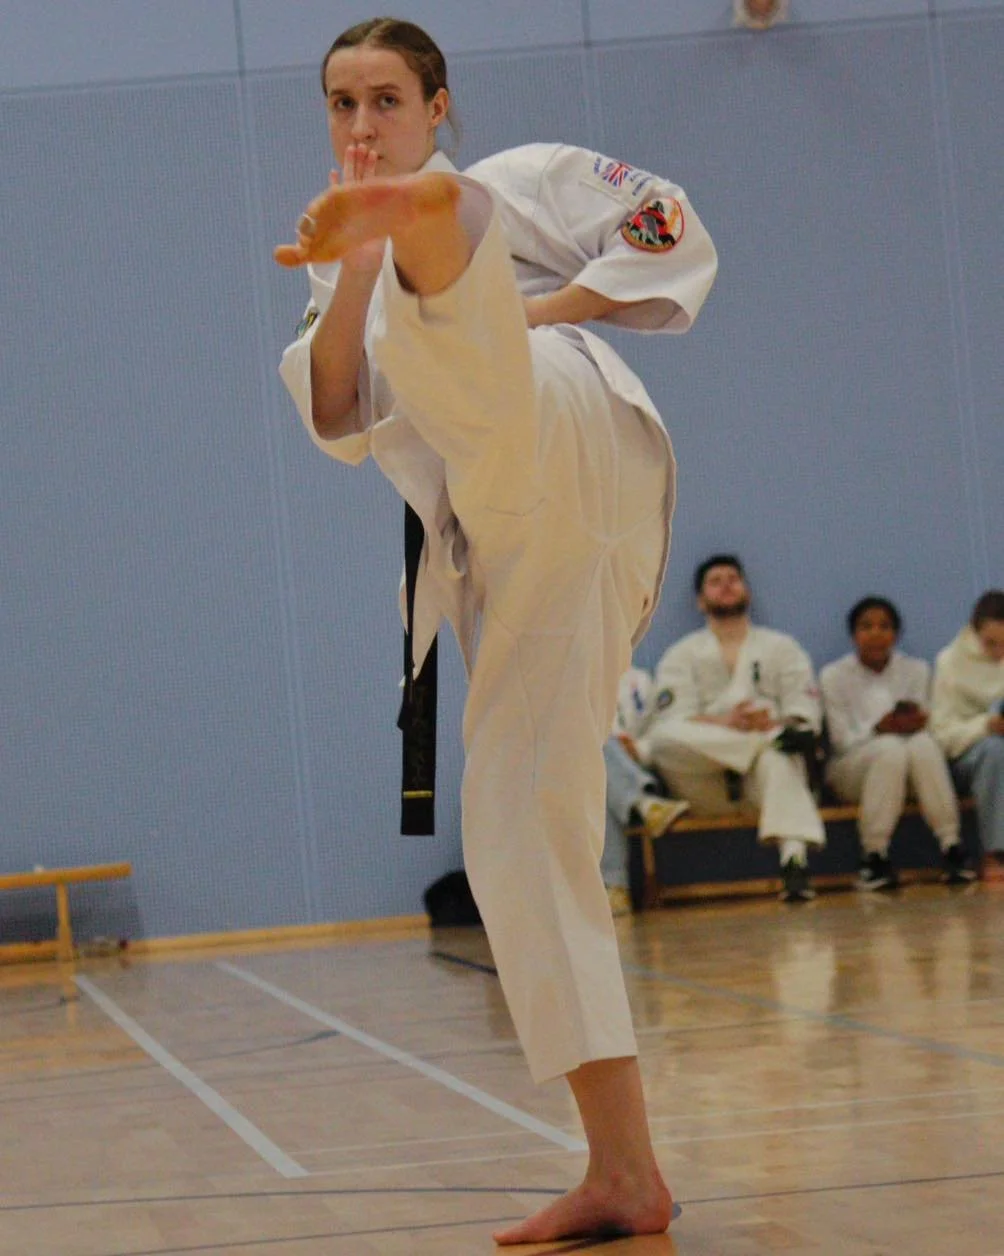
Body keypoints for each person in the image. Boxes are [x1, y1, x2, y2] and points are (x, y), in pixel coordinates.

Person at [274, 17, 718, 1244]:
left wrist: (546, 305)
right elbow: (330, 404)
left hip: (567, 416)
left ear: (436, 106)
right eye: (340, 106)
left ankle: (441, 246)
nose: (358, 125)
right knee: (519, 827)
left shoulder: (522, 177)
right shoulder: (323, 264)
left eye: (383, 102)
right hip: (537, 536)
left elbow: (665, 225)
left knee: (476, 366)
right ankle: (622, 1167)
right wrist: (357, 268)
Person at [635, 554, 825, 902]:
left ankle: (794, 861)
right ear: (700, 599)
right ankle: (763, 743)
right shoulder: (682, 654)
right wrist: (730, 724)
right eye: (715, 580)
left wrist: (774, 723)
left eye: (733, 578)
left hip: (763, 786)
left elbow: (802, 711)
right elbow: (672, 717)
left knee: (781, 754)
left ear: (747, 592)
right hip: (705, 782)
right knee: (662, 738)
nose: (726, 585)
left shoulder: (781, 648)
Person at [820, 597, 972, 889]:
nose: (876, 633)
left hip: (911, 762)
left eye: (884, 626)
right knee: (890, 750)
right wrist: (878, 728)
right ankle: (874, 855)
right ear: (854, 634)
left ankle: (952, 847)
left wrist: (914, 723)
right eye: (867, 626)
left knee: (923, 744)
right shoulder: (834, 676)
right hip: (851, 768)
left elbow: (928, 721)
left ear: (896, 634)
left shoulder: (916, 670)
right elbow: (841, 741)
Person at [602, 667, 690, 916]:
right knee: (598, 757)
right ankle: (643, 805)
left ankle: (615, 887)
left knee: (603, 776)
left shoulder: (639, 680)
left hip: (641, 770)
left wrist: (639, 748)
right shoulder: (565, 678)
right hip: (585, 772)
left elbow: (663, 730)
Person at [931, 590, 1004, 882]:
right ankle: (997, 852)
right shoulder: (949, 663)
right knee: (996, 751)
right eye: (991, 643)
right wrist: (987, 725)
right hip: (968, 758)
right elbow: (942, 736)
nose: (1000, 652)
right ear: (974, 633)